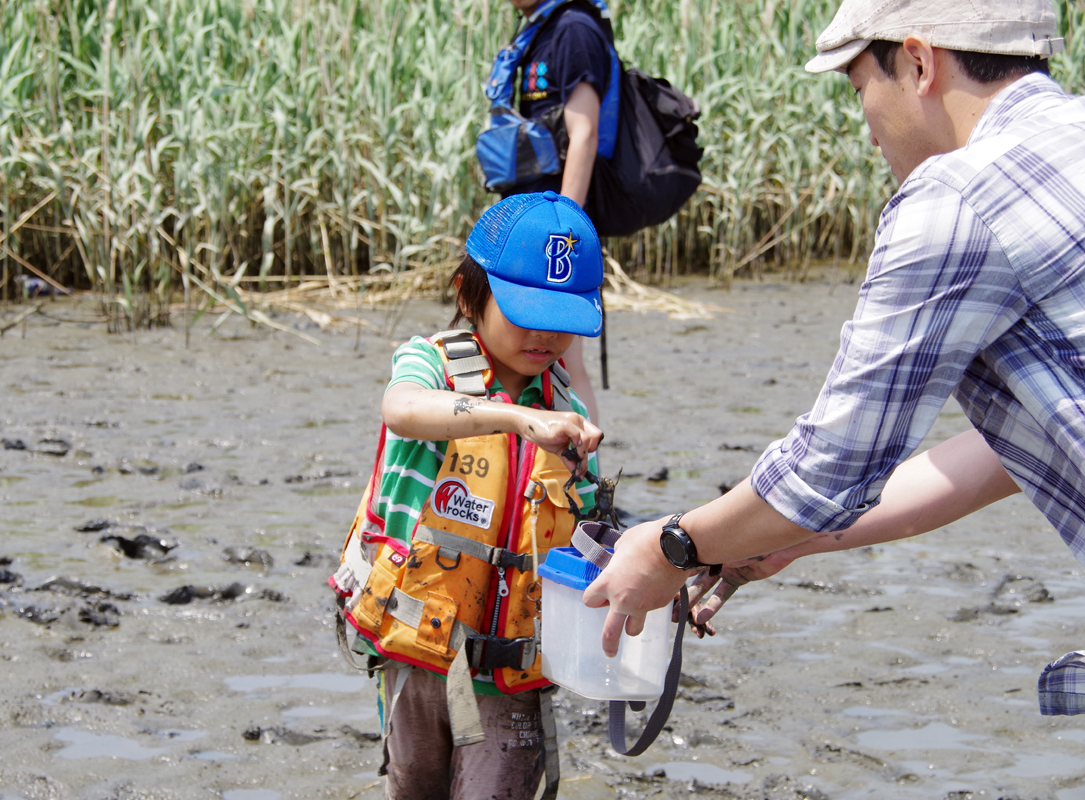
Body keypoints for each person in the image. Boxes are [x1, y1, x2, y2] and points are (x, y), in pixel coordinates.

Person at [581, 0, 1085, 712]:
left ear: (918, 62)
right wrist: (790, 540)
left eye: (859, 91)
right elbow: (1022, 445)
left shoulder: (955, 198)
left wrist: (673, 547)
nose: (871, 136)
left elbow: (825, 472)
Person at [330, 191, 606, 799]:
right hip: (419, 647)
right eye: (525, 310)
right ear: (467, 294)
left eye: (563, 319)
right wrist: (512, 420)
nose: (545, 333)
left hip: (509, 670)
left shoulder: (567, 413)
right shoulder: (427, 364)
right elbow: (401, 410)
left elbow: (580, 541)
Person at [498, 0, 616, 421]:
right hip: (530, 228)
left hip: (555, 239)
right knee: (532, 360)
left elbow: (583, 134)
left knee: (564, 362)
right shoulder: (539, 28)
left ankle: (584, 477)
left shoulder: (574, 29)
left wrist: (564, 232)